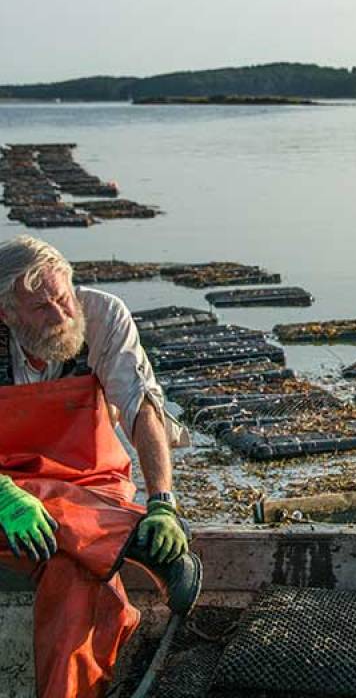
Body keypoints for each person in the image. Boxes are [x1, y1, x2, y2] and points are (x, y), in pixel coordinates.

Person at [0, 235, 202, 698]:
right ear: (5, 313)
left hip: (92, 489)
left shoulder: (103, 315)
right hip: (8, 505)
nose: (60, 315)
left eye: (62, 298)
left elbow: (142, 408)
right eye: (41, 309)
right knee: (81, 573)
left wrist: (163, 502)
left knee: (72, 579)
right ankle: (129, 540)